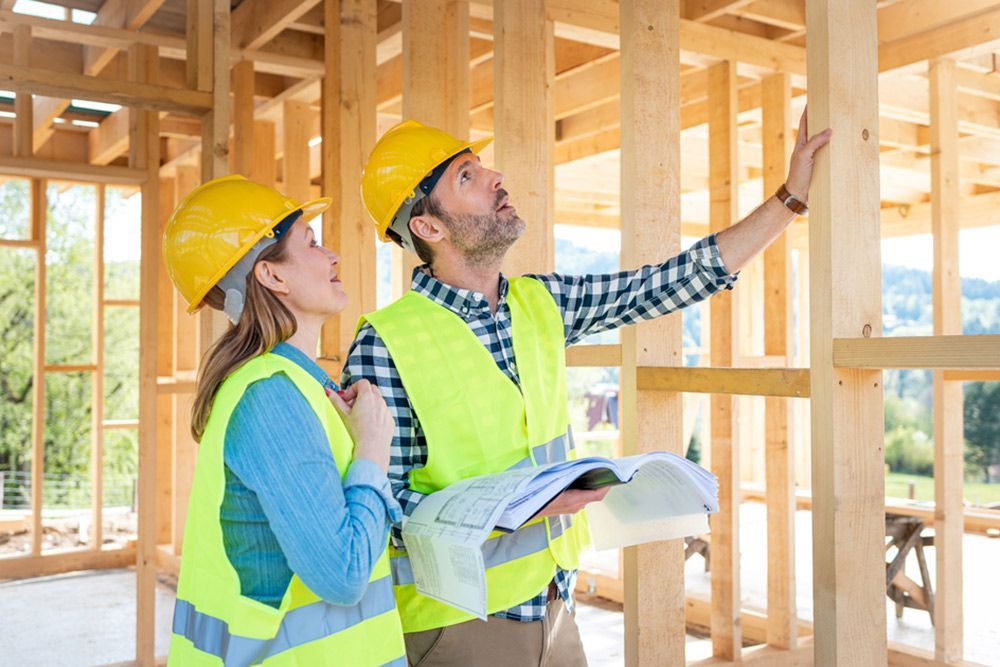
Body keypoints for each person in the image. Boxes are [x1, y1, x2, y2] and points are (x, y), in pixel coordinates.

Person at [346, 113, 831, 666]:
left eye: (481, 166)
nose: (494, 176)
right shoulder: (384, 343)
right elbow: (378, 511)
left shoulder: (539, 303)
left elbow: (669, 281)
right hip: (459, 628)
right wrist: (518, 508)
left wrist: (790, 199)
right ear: (428, 228)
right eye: (466, 176)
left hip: (554, 608)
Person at [162, 175, 406, 666]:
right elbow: (343, 574)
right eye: (312, 244)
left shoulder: (295, 385)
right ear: (272, 277)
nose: (333, 255)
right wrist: (373, 451)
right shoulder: (270, 398)